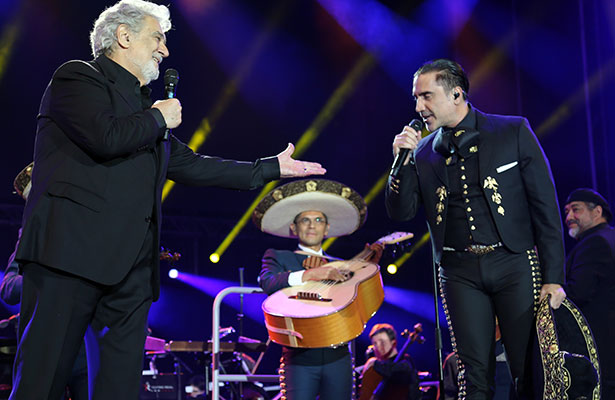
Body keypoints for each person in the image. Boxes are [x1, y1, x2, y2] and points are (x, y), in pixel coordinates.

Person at [10, 1, 325, 399]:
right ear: (124, 37)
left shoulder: (144, 109)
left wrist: (268, 169)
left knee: (119, 387)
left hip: (131, 272)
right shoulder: (77, 78)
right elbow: (105, 137)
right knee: (42, 381)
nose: (165, 50)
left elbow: (192, 165)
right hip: (68, 260)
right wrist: (159, 118)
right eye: (157, 37)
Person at [385, 58, 566, 399]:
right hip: (459, 271)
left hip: (513, 263)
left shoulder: (512, 131)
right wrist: (401, 164)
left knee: (528, 368)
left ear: (456, 94)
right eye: (415, 98)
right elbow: (401, 212)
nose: (418, 106)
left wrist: (554, 276)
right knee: (473, 374)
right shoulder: (422, 152)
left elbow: (545, 209)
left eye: (426, 96)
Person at [254, 179, 382, 400]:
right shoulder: (278, 255)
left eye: (318, 220)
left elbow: (360, 302)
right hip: (299, 355)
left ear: (327, 228)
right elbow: (268, 282)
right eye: (305, 220)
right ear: (294, 227)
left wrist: (368, 269)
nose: (312, 225)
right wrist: (310, 275)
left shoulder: (342, 265)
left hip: (339, 355)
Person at [1, 163, 89, 400]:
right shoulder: (28, 234)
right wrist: (41, 278)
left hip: (85, 349)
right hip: (45, 347)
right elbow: (8, 288)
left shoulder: (86, 226)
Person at [563, 188, 615, 397]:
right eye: (566, 211)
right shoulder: (608, 237)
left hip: (603, 346)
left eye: (576, 210)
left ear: (597, 212)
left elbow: (578, 292)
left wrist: (547, 287)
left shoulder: (594, 242)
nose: (568, 217)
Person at [359, 323, 421, 400]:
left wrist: (374, 363)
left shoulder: (405, 361)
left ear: (393, 342)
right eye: (375, 343)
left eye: (382, 342)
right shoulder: (380, 365)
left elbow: (395, 370)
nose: (378, 346)